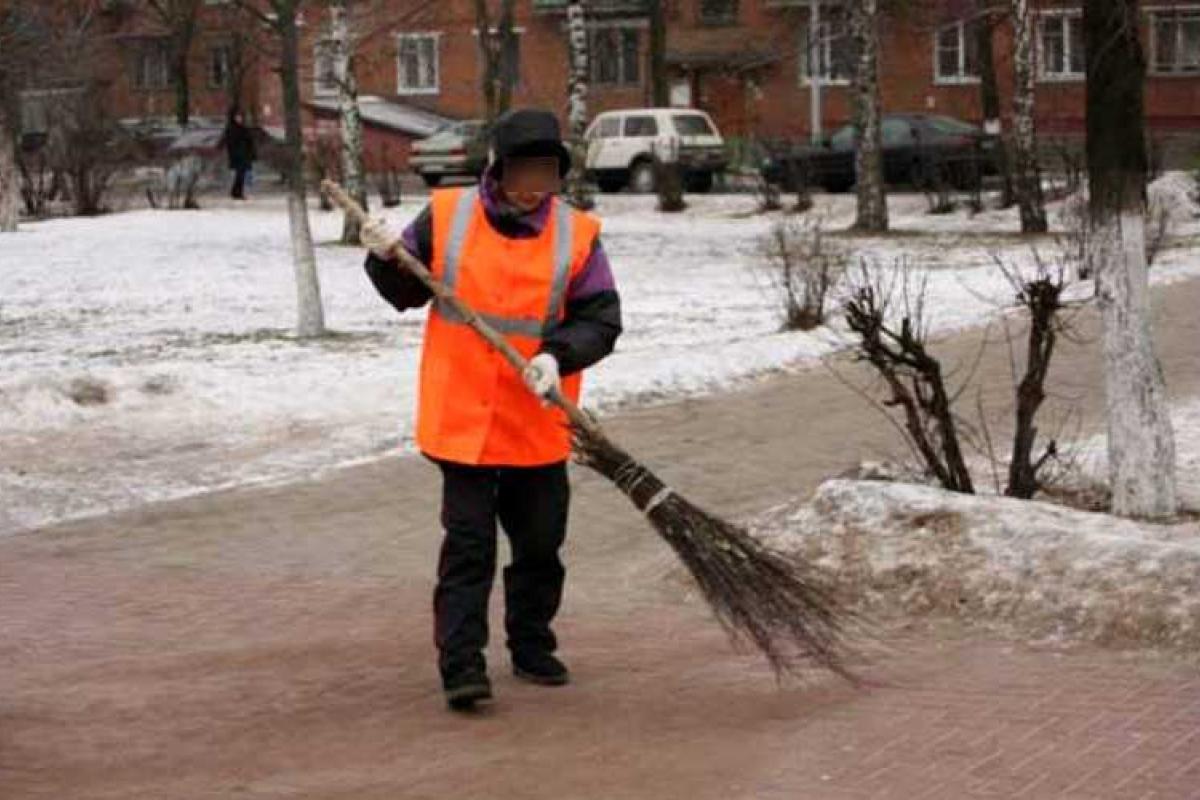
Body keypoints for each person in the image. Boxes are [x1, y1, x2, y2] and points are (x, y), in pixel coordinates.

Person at [360, 109, 623, 712]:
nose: (536, 187)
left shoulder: (577, 234)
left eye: (548, 174)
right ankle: (461, 666)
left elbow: (601, 319)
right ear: (498, 171)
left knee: (540, 545)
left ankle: (531, 645)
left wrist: (558, 355)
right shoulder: (449, 215)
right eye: (525, 172)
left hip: (537, 419)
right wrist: (383, 258)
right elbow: (408, 290)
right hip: (465, 419)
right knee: (469, 546)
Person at [222, 108, 256, 200]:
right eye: (237, 117)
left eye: (240, 117)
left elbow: (249, 141)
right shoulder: (232, 129)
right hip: (238, 155)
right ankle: (236, 192)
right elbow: (230, 142)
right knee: (239, 174)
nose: (239, 118)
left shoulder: (243, 128)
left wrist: (251, 153)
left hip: (244, 154)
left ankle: (237, 192)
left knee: (241, 174)